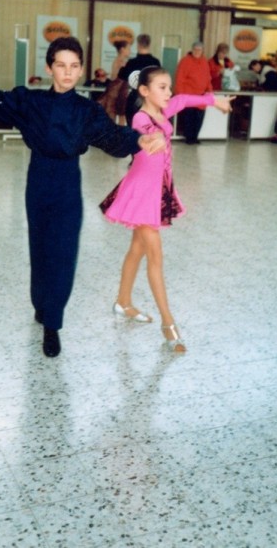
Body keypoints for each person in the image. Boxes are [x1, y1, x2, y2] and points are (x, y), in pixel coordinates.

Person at [0, 37, 165, 359]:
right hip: (38, 181)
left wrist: (140, 139)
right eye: (61, 65)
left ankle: (53, 324)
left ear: (82, 69)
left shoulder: (86, 111)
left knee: (62, 253)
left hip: (67, 184)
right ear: (49, 68)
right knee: (40, 248)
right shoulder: (30, 102)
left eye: (74, 66)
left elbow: (113, 138)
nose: (68, 73)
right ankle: (40, 305)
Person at [99, 65, 233, 353]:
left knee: (137, 249)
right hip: (141, 193)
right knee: (155, 256)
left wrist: (215, 101)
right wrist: (154, 140)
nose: (168, 92)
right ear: (144, 91)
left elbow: (184, 100)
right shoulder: (139, 117)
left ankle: (123, 302)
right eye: (161, 87)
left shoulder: (163, 109)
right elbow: (146, 135)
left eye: (168, 86)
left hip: (158, 189)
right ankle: (168, 323)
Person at [174, 40, 213, 144]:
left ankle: (195, 137)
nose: (197, 52)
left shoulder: (204, 61)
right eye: (195, 49)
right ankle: (189, 138)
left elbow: (208, 78)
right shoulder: (185, 61)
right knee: (189, 118)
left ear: (202, 51)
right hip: (189, 95)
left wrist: (210, 91)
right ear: (192, 50)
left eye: (199, 50)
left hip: (201, 96)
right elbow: (179, 79)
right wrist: (180, 95)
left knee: (199, 118)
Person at [118, 34, 161, 125]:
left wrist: (122, 68)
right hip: (150, 100)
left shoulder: (132, 63)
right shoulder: (155, 63)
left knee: (133, 129)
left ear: (138, 45)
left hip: (134, 98)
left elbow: (121, 76)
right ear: (149, 45)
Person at [98, 40, 131, 123]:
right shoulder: (118, 61)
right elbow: (114, 77)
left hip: (122, 90)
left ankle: (121, 133)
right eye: (128, 49)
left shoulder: (124, 62)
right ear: (123, 49)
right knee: (111, 113)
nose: (130, 51)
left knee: (122, 113)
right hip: (116, 90)